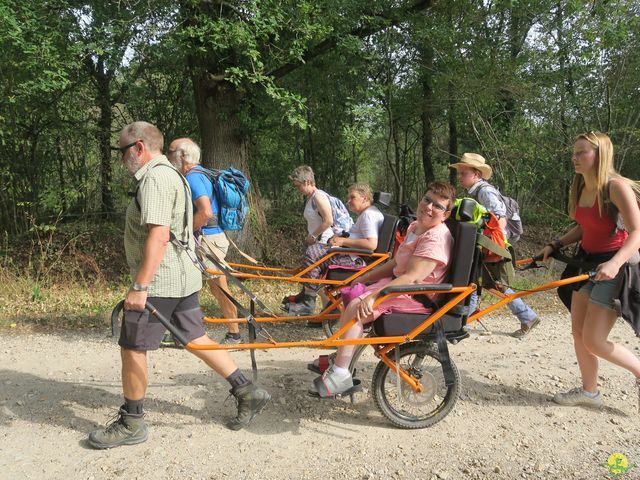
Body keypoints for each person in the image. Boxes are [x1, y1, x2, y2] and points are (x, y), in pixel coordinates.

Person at [88, 122, 270, 449]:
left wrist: (140, 286)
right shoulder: (173, 174)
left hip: (161, 281)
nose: (120, 158)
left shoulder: (156, 178)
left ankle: (132, 422)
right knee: (195, 337)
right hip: (181, 275)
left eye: (122, 151)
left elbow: (159, 235)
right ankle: (247, 390)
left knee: (132, 346)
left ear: (140, 147)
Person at [308, 182, 455, 397]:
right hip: (400, 286)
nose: (429, 207)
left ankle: (340, 373)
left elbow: (412, 277)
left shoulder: (436, 237)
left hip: (416, 295)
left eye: (438, 206)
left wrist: (374, 296)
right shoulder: (416, 227)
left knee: (358, 307)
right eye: (427, 200)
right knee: (353, 294)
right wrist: (363, 278)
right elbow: (396, 263)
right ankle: (343, 356)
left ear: (446, 214)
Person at [539, 131, 640, 410]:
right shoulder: (582, 186)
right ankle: (590, 391)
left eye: (581, 152)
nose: (575, 157)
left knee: (594, 340)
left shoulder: (616, 187)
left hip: (615, 266)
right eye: (574, 152)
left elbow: (637, 232)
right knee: (578, 332)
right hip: (588, 263)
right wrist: (555, 244)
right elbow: (586, 226)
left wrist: (615, 263)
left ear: (600, 155)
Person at [450, 153, 541, 338]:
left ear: (476, 174)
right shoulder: (476, 192)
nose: (459, 177)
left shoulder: (484, 191)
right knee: (484, 282)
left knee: (485, 282)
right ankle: (526, 317)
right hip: (485, 245)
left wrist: (491, 246)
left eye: (463, 173)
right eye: (459, 173)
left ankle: (462, 321)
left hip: (491, 246)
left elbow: (500, 219)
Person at [167, 138, 241, 345]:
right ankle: (183, 330)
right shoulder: (198, 175)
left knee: (218, 286)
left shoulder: (193, 178)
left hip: (208, 239)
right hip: (209, 237)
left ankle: (234, 332)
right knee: (192, 283)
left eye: (171, 151)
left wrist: (184, 232)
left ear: (183, 156)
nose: (168, 155)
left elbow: (206, 212)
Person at [284, 183, 384, 316]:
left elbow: (371, 244)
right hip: (352, 255)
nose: (348, 201)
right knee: (315, 250)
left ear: (365, 198)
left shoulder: (368, 215)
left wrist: (343, 241)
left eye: (352, 197)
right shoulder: (368, 213)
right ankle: (312, 299)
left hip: (355, 260)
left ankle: (308, 302)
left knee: (312, 253)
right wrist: (340, 237)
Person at [284, 165, 337, 317]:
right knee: (314, 278)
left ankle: (309, 303)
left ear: (307, 181)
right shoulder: (311, 198)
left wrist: (313, 235)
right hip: (317, 241)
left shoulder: (319, 196)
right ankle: (328, 311)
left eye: (298, 186)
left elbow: (328, 221)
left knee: (312, 272)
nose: (297, 189)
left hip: (325, 241)